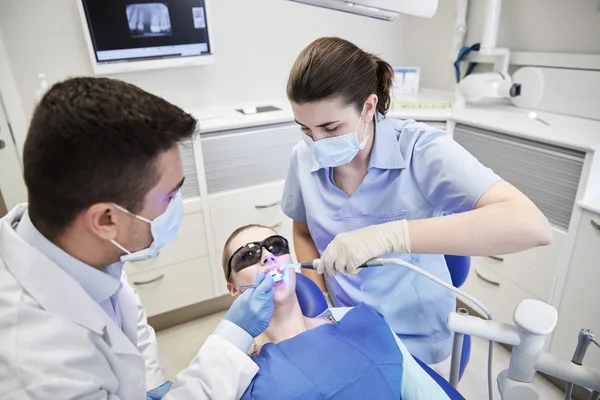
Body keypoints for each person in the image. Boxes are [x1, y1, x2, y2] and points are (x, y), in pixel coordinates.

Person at [281, 37, 552, 377]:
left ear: (368, 107)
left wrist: (392, 235)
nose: (316, 143)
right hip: (346, 325)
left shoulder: (420, 151)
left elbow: (531, 225)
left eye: (331, 127)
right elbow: (303, 230)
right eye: (306, 128)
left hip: (417, 334)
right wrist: (320, 305)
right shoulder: (302, 157)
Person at [0, 77, 273, 400]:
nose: (176, 206)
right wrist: (233, 336)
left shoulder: (73, 243)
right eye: (169, 196)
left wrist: (152, 378)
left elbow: (124, 318)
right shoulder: (36, 363)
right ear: (106, 220)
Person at [219, 224, 450, 400]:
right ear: (234, 290)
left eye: (276, 246)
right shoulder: (237, 374)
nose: (268, 256)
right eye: (248, 255)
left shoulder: (361, 323)